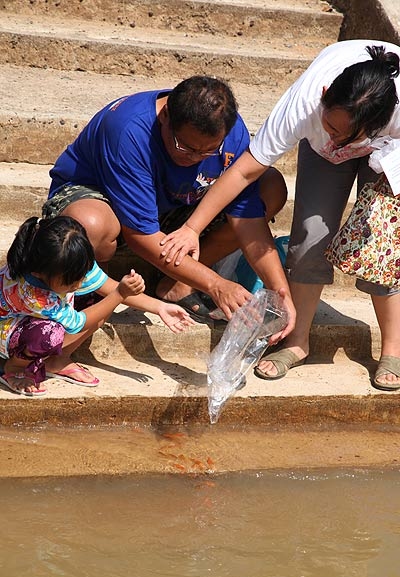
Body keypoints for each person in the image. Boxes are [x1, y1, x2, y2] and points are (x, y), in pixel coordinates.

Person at [159, 40, 400, 391]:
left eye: (344, 135)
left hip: (389, 154)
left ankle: (392, 349)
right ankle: (297, 340)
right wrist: (192, 227)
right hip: (324, 156)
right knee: (308, 238)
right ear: (323, 94)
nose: (335, 140)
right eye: (329, 126)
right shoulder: (305, 103)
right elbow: (244, 172)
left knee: (383, 246)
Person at [41, 75, 295, 339]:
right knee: (90, 225)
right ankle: (91, 293)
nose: (195, 158)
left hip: (174, 207)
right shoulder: (128, 130)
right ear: (165, 116)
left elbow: (247, 219)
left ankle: (179, 282)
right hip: (108, 205)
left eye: (208, 151)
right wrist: (215, 284)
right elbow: (141, 237)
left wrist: (281, 292)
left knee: (270, 187)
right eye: (184, 147)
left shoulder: (228, 131)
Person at [0, 216, 194, 396]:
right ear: (40, 273)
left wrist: (159, 307)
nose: (77, 284)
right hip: (8, 329)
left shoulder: (67, 262)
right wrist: (120, 294)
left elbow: (106, 286)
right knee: (49, 334)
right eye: (70, 282)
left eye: (81, 276)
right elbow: (79, 322)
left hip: (35, 319)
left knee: (100, 298)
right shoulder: (32, 295)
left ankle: (56, 361)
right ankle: (15, 367)